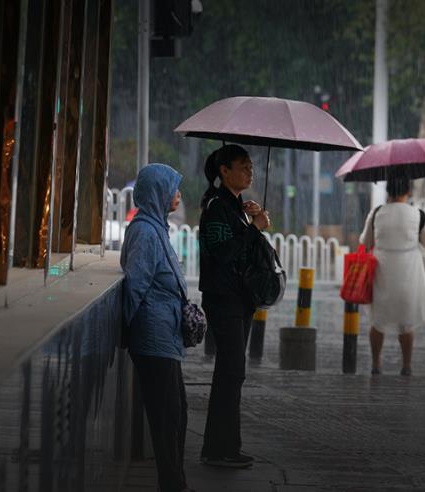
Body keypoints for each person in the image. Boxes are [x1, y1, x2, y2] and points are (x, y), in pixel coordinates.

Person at [120, 163, 194, 492]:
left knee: (176, 413)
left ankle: (174, 481)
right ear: (157, 192)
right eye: (172, 188)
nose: (177, 194)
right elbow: (136, 282)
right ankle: (172, 485)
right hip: (153, 334)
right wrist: (125, 328)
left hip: (165, 333)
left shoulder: (156, 227)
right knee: (167, 418)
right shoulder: (146, 232)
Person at [198, 144, 270, 468]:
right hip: (223, 299)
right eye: (242, 166)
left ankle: (227, 446)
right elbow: (223, 253)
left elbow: (245, 251)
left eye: (250, 166)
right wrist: (253, 229)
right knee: (230, 373)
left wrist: (252, 220)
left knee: (232, 374)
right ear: (224, 171)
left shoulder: (237, 206)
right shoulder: (216, 207)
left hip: (240, 300)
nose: (249, 171)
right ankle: (217, 449)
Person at [359, 177, 425, 376]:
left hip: (381, 271)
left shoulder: (376, 213)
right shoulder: (417, 215)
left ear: (388, 191)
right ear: (408, 192)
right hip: (408, 272)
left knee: (378, 321)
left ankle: (376, 364)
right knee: (406, 322)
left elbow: (364, 241)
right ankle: (407, 366)